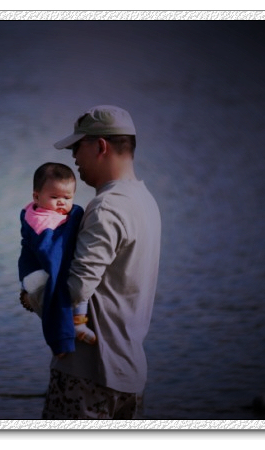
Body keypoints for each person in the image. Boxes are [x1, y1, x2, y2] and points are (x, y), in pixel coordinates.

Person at [22, 105, 161, 419]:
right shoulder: (144, 200)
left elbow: (74, 291)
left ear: (100, 146)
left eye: (76, 147)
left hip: (88, 372)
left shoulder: (106, 207)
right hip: (129, 374)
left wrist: (32, 295)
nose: (73, 158)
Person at [18, 163, 97, 357]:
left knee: (78, 281)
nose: (61, 202)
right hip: (37, 274)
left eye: (67, 197)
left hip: (36, 277)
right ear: (36, 197)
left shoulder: (55, 213)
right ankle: (60, 340)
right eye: (54, 197)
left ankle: (79, 323)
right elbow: (51, 254)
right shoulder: (41, 222)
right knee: (60, 285)